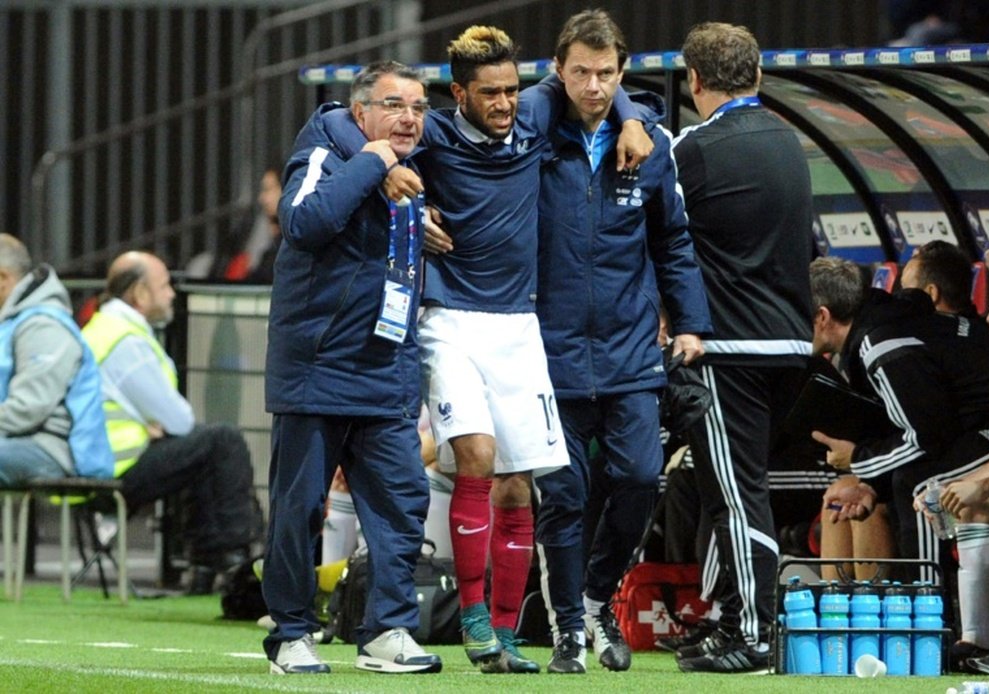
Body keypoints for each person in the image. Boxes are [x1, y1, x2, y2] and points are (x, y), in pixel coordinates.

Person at [402, 24, 652, 674]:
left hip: (519, 326)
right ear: (458, 92)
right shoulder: (432, 133)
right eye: (490, 93)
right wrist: (403, 198)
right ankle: (476, 620)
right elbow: (348, 129)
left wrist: (627, 117)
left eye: (513, 89)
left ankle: (507, 638)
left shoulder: (537, 117)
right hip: (449, 316)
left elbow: (598, 89)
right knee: (478, 458)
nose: (506, 103)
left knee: (518, 486)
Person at [532, 10, 712, 674]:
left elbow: (674, 242)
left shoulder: (651, 142)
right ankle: (567, 628)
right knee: (566, 496)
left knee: (639, 478)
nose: (594, 85)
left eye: (607, 73)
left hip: (632, 349)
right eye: (580, 71)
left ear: (623, 70)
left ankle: (596, 594)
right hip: (549, 352)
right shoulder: (533, 132)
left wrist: (690, 322)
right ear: (558, 70)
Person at [262, 60, 442, 676]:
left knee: (401, 503)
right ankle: (291, 634)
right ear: (360, 111)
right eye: (395, 104)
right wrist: (374, 163)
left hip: (386, 366)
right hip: (316, 369)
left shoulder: (411, 165)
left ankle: (387, 630)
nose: (409, 118)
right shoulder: (325, 150)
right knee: (300, 508)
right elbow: (304, 222)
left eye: (418, 107)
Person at [669, 22, 815, 673]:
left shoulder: (693, 147)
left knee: (736, 493)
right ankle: (729, 616)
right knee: (726, 486)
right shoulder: (790, 140)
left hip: (728, 349)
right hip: (790, 345)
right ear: (757, 75)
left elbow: (653, 230)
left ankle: (754, 636)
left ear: (695, 80)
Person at [811, 256, 989, 668]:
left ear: (822, 317)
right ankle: (866, 623)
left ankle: (929, 625)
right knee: (884, 486)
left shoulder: (881, 342)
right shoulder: (877, 327)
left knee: (918, 486)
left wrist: (858, 461)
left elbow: (927, 434)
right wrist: (868, 482)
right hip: (974, 427)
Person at [81, 251, 263, 594]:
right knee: (222, 441)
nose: (172, 294)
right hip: (116, 464)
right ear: (139, 293)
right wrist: (156, 423)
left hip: (101, 459)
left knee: (205, 450)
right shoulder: (127, 340)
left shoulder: (103, 328)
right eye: (164, 286)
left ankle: (210, 564)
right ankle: (236, 562)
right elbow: (179, 420)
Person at [0, 234, 113, 487]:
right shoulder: (13, 323)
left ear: (3, 279)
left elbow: (29, 408)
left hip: (51, 447)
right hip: (17, 440)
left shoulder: (43, 326)